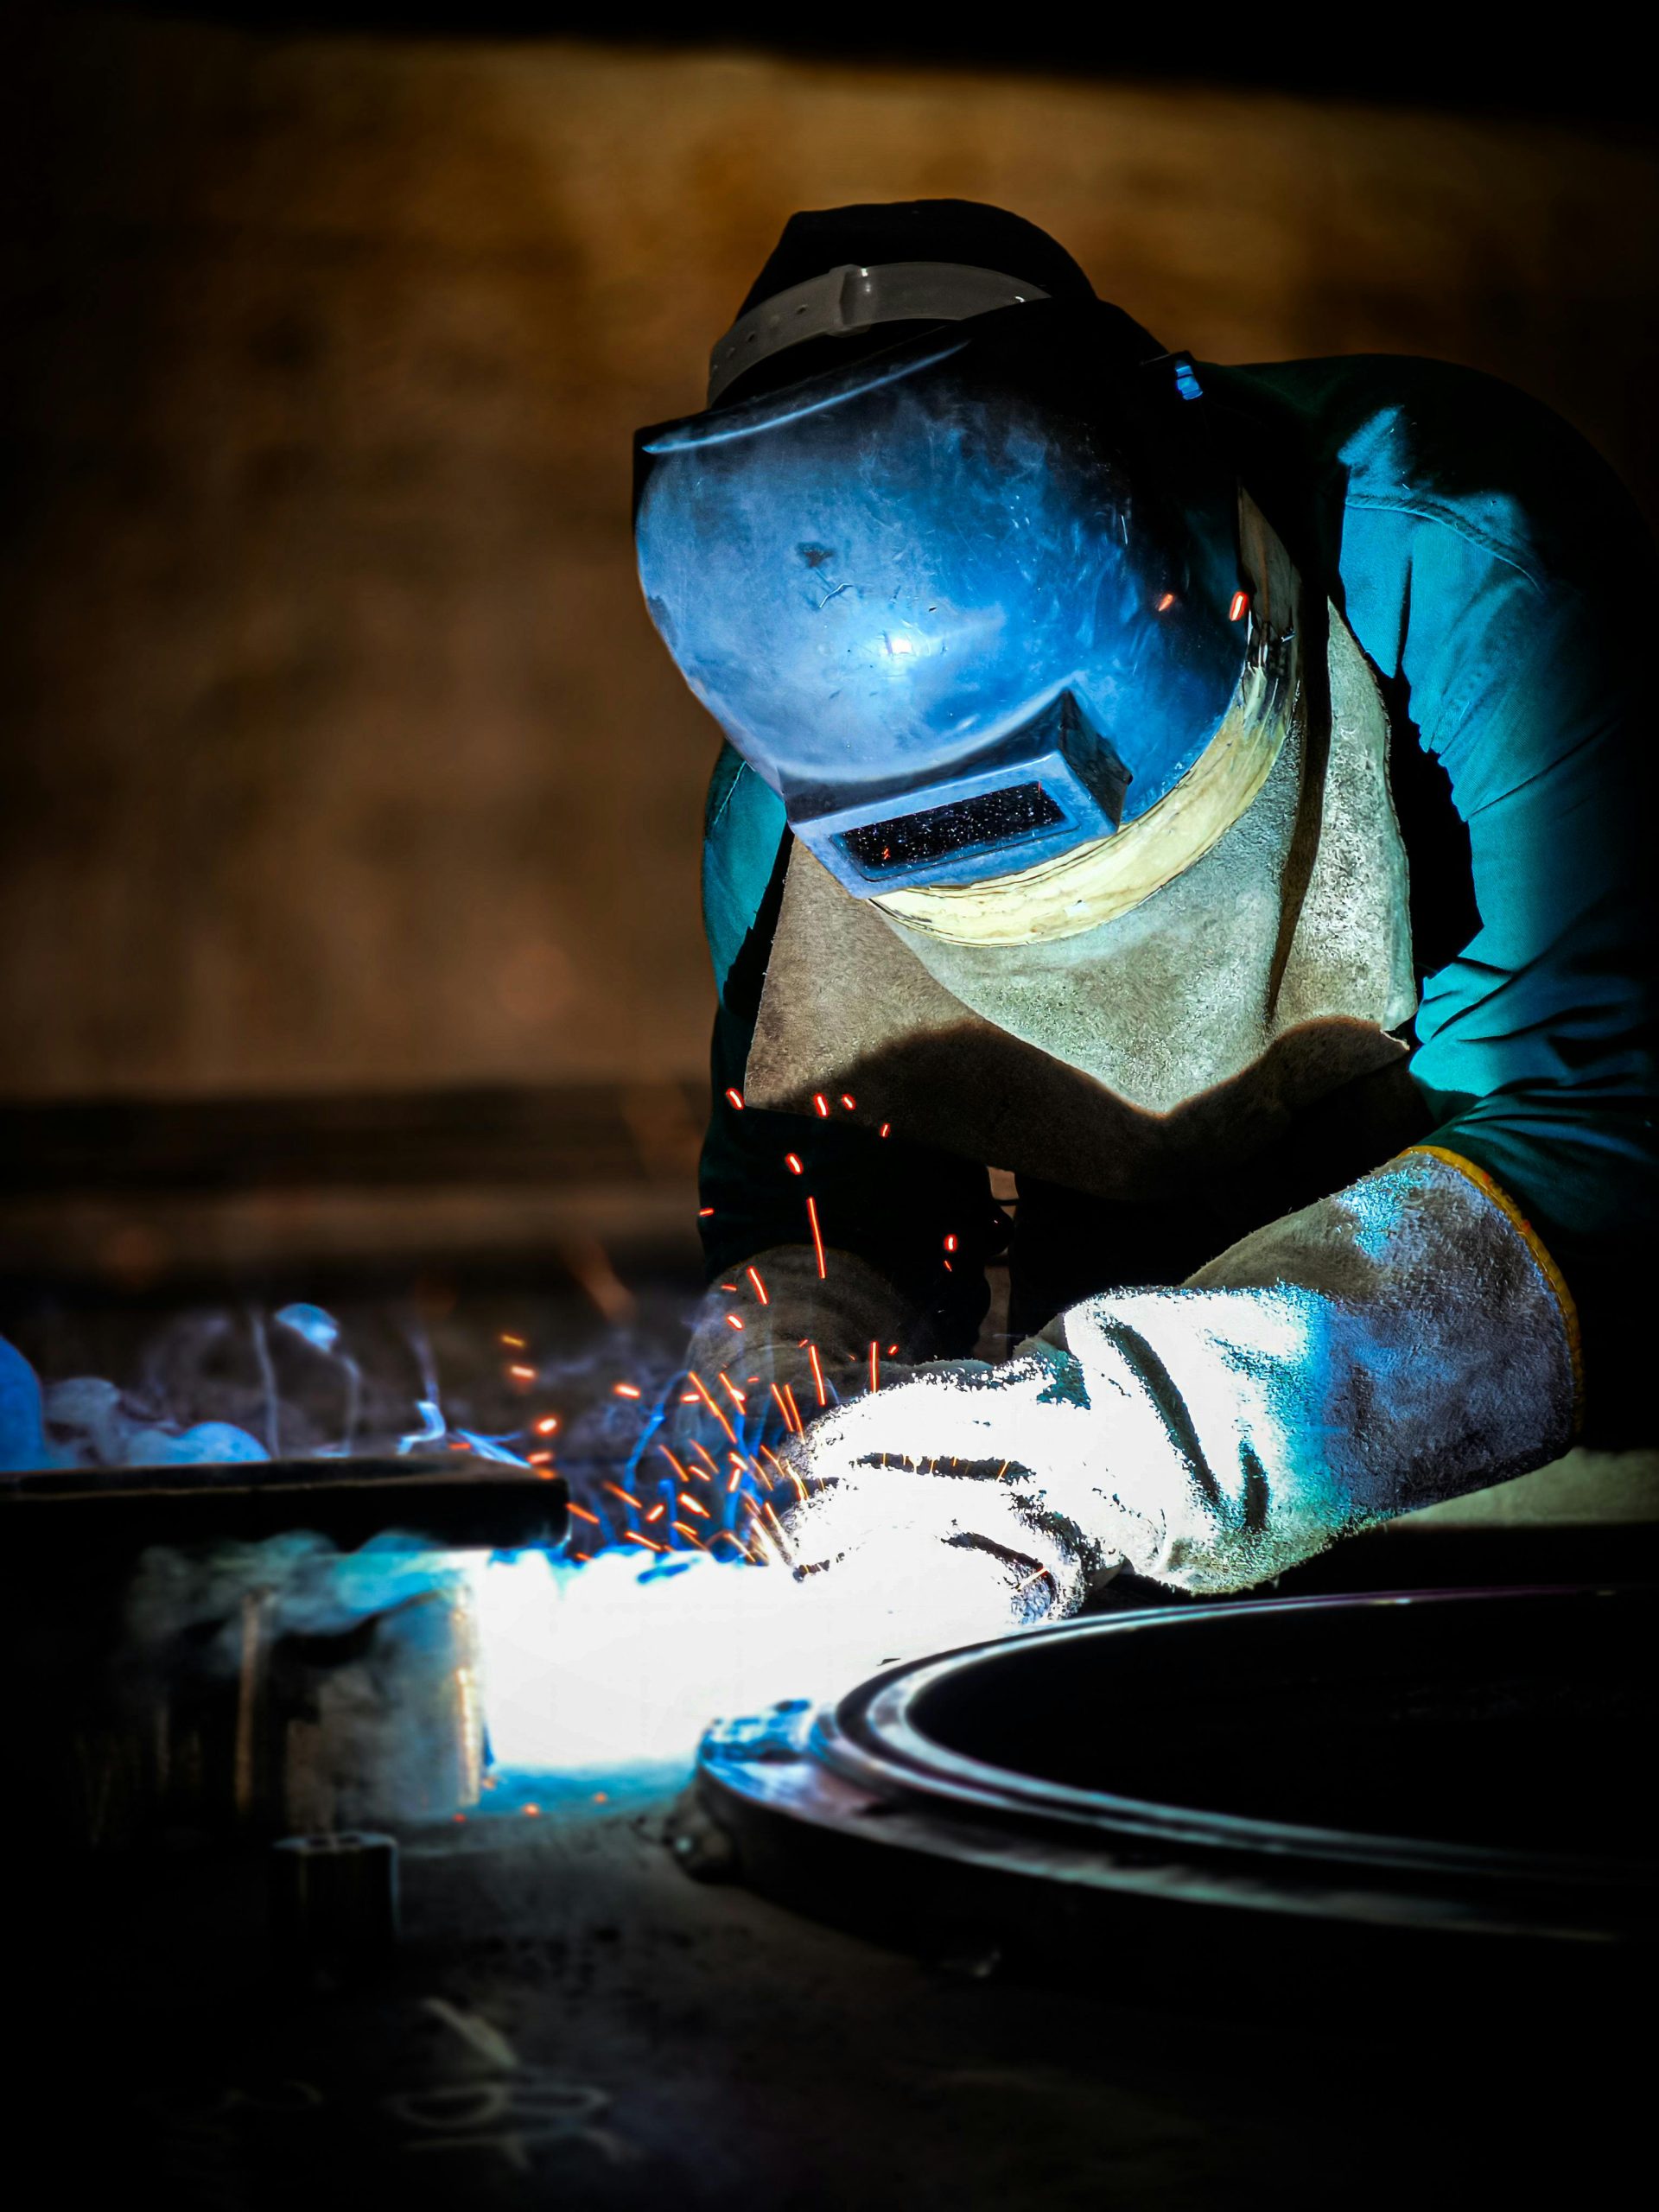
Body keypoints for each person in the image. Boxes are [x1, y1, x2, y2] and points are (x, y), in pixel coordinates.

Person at [632, 200, 1656, 1621]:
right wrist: (789, 1375)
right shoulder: (774, 832)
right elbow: (824, 1208)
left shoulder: (1461, 559)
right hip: (1135, 1536)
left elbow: (1614, 1136)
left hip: (1585, 1488)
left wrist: (1143, 1433)